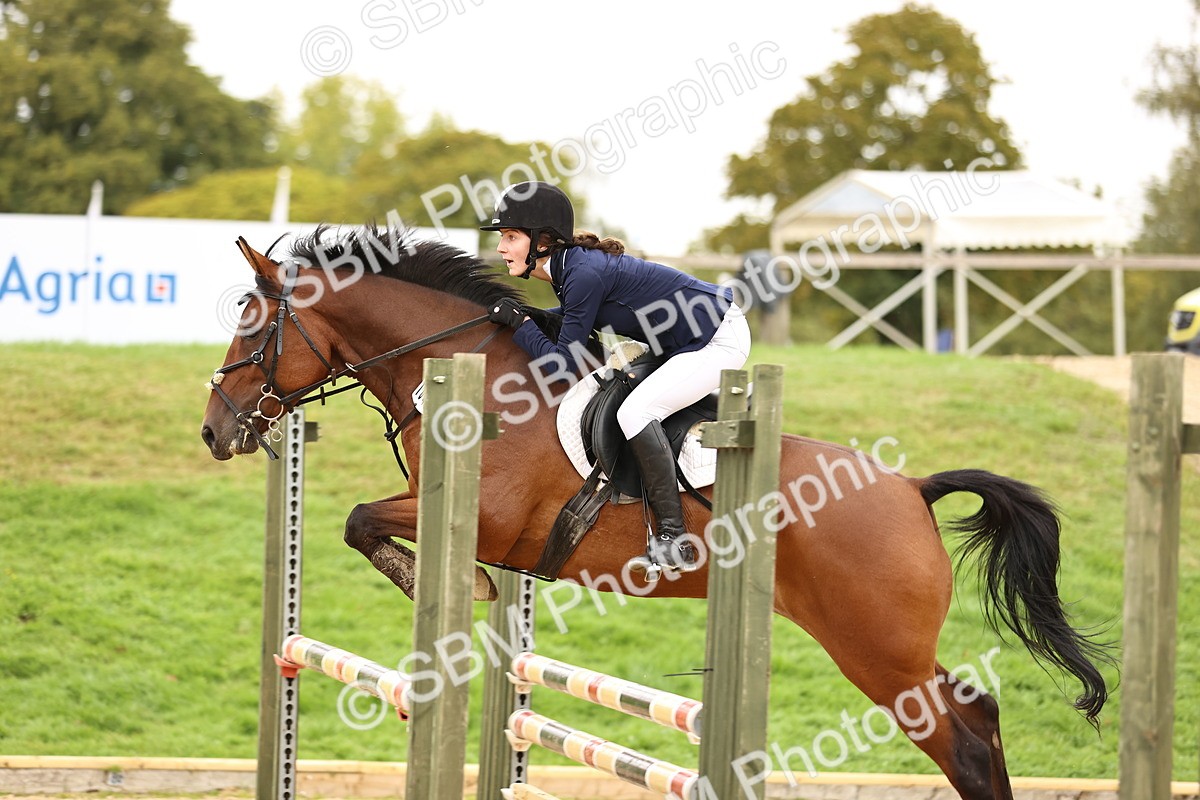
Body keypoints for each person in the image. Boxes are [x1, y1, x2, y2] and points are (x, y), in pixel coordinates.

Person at [481, 182, 751, 572]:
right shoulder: (570, 269)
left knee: (635, 414)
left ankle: (674, 538)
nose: (501, 248)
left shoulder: (582, 273)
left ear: (542, 241)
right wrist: (531, 319)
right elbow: (573, 322)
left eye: (510, 237)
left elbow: (560, 364)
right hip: (684, 341)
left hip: (715, 340)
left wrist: (523, 323)